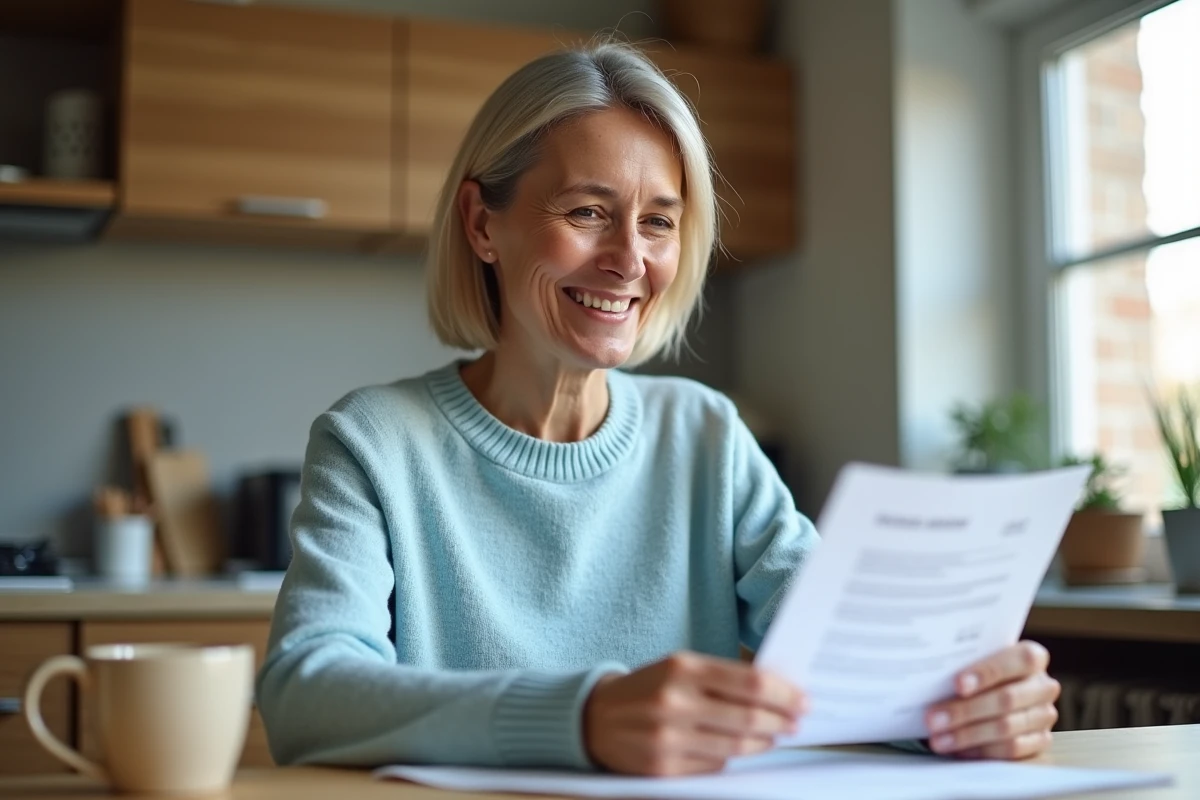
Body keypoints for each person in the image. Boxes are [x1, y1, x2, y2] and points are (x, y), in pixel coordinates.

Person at [256, 41, 1060, 776]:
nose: (630, 260)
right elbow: (306, 695)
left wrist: (962, 707)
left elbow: (847, 655)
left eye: (659, 222)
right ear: (481, 223)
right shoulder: (373, 442)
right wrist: (581, 719)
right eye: (587, 212)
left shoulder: (706, 433)